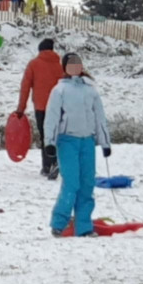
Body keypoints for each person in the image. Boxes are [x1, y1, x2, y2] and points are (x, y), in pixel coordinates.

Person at [44, 53, 111, 237]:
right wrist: (49, 142)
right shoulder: (59, 90)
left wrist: (105, 142)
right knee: (71, 182)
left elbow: (99, 117)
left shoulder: (90, 90)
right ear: (65, 67)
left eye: (77, 63)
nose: (75, 67)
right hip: (67, 140)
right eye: (70, 64)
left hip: (87, 141)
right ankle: (59, 223)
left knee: (87, 184)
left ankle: (84, 226)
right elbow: (52, 118)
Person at [16, 38, 65, 178]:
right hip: (60, 107)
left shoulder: (33, 64)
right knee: (57, 136)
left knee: (45, 136)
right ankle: (57, 162)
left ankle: (48, 165)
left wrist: (21, 108)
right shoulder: (60, 65)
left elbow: (25, 87)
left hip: (41, 107)